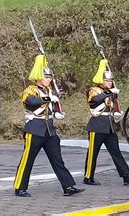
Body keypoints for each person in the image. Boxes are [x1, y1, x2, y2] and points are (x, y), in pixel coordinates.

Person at [14, 55, 84, 197]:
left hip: (49, 130)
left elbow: (54, 107)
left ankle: (68, 186)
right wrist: (48, 98)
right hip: (34, 128)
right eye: (46, 77)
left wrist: (58, 109)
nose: (49, 79)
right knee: (27, 160)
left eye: (50, 77)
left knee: (57, 160)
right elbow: (31, 102)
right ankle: (19, 187)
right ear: (39, 77)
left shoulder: (50, 91)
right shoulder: (30, 90)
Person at [83, 59, 129, 186]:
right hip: (97, 125)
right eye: (107, 81)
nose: (109, 83)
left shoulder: (110, 92)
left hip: (109, 126)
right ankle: (88, 176)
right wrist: (109, 92)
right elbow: (94, 100)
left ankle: (126, 175)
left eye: (110, 81)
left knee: (116, 152)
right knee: (93, 152)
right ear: (101, 81)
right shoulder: (94, 90)